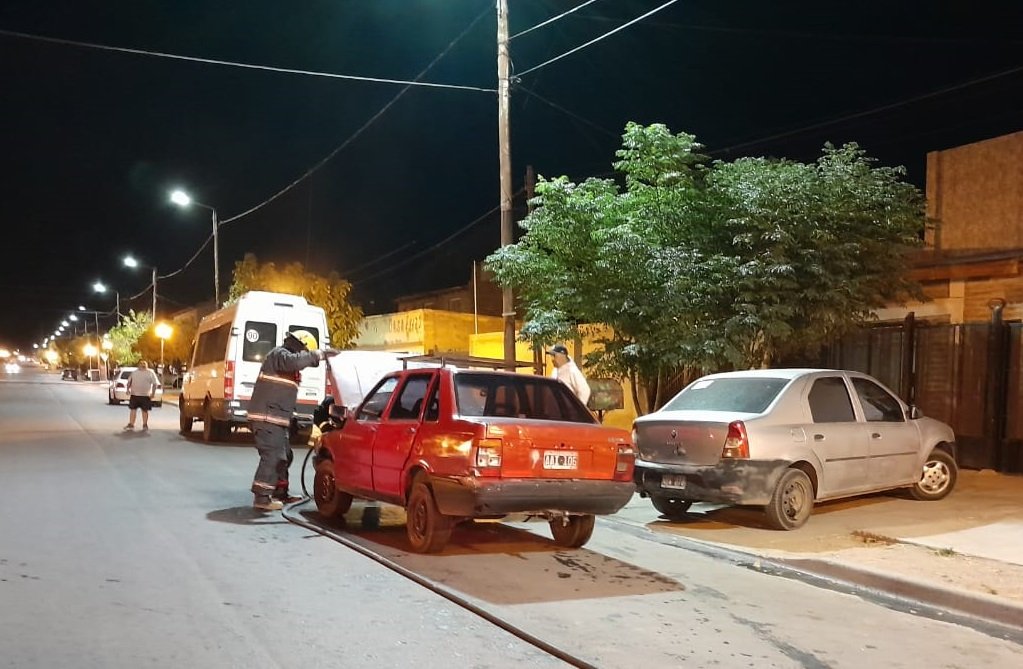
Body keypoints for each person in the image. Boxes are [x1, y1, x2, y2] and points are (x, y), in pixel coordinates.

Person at [248, 329, 339, 511]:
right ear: (300, 345)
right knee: (273, 457)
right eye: (305, 351)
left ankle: (280, 493)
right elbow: (294, 361)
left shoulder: (287, 366)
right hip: (266, 418)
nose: (304, 355)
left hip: (276, 419)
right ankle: (261, 497)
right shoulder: (279, 355)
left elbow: (282, 393)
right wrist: (319, 354)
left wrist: (291, 418)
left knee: (285, 456)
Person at [124, 360, 160, 431]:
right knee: (133, 410)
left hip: (145, 395)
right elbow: (129, 382)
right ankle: (131, 424)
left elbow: (154, 384)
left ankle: (145, 424)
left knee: (145, 411)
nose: (143, 365)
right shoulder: (134, 373)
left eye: (144, 363)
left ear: (147, 365)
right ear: (138, 365)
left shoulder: (150, 373)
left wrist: (153, 393)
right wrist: (127, 390)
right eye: (141, 363)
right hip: (134, 395)